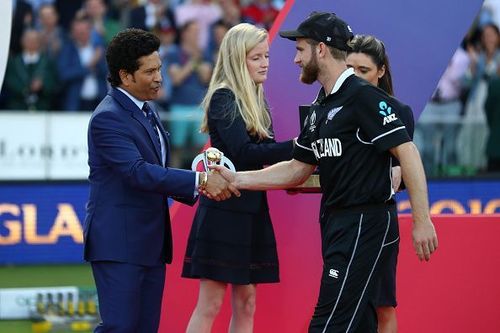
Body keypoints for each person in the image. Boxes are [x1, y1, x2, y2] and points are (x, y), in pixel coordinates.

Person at [213, 12, 438, 333]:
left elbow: (408, 152)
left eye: (300, 49)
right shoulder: (320, 107)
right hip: (336, 224)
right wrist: (236, 179)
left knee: (328, 324)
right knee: (356, 324)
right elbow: (296, 170)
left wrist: (421, 219)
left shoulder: (363, 97)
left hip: (363, 223)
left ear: (321, 49)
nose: (294, 60)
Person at [83, 28, 239, 333]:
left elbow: (154, 171)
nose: (159, 77)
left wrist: (202, 182)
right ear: (125, 76)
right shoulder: (108, 117)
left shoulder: (145, 109)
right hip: (119, 245)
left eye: (160, 69)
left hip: (149, 244)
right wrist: (201, 180)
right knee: (121, 327)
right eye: (150, 71)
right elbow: (138, 172)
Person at [182, 23, 294, 333]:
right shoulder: (223, 98)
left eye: (266, 57)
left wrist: (294, 156)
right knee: (211, 303)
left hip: (253, 208)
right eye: (256, 57)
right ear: (236, 59)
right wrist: (298, 147)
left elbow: (264, 152)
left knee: (247, 302)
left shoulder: (256, 98)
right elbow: (245, 153)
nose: (265, 64)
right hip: (224, 210)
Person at [346, 34, 415, 333]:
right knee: (346, 306)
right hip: (342, 220)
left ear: (381, 71)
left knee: (383, 304)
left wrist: (399, 173)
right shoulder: (332, 109)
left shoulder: (398, 112)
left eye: (364, 70)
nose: (357, 77)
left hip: (380, 221)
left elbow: (404, 167)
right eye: (351, 70)